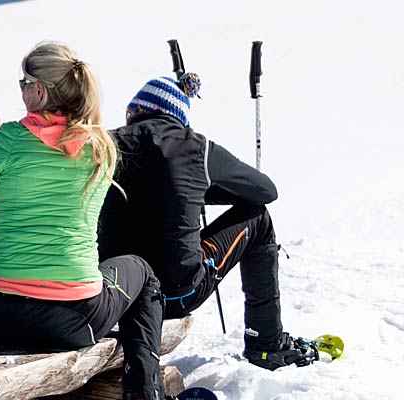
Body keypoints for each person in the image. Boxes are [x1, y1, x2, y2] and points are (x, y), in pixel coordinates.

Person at [0, 42, 165, 400]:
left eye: (23, 83)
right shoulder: (101, 147)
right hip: (74, 319)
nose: (21, 90)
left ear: (40, 90)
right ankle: (143, 391)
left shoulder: (6, 144)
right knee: (141, 272)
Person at [98, 75, 310, 370]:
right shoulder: (198, 148)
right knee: (258, 217)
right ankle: (266, 344)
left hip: (116, 293)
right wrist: (193, 190)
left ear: (136, 111)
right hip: (177, 294)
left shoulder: (105, 144)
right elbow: (264, 191)